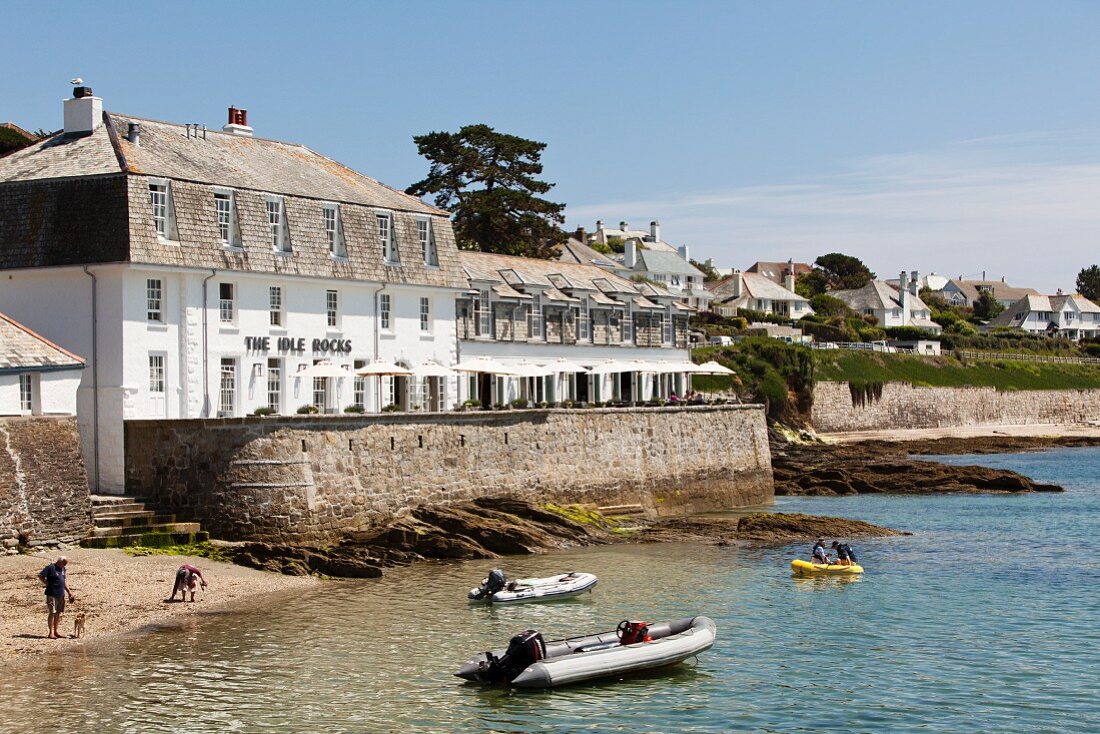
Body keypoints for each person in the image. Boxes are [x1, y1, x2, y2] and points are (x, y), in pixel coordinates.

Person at [39, 556, 75, 639]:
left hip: (61, 593)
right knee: (52, 612)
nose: (65, 566)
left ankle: (56, 631)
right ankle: (51, 632)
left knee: (58, 613)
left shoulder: (63, 569)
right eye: (64, 564)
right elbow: (41, 575)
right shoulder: (50, 567)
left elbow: (64, 580)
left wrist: (69, 592)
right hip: (51, 593)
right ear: (60, 562)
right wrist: (45, 583)